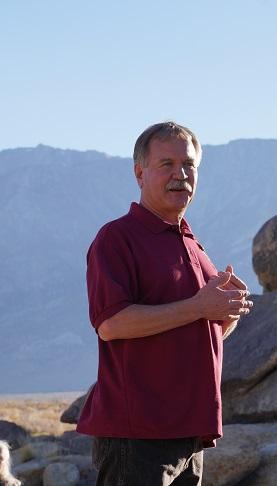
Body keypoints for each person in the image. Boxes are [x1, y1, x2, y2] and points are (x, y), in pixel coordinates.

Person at [76, 121, 253, 485]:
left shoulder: (192, 243)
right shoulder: (118, 238)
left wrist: (226, 312)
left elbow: (201, 327)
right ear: (140, 173)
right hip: (138, 434)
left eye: (188, 165)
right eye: (167, 164)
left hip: (190, 434)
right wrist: (201, 306)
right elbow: (112, 324)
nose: (180, 174)